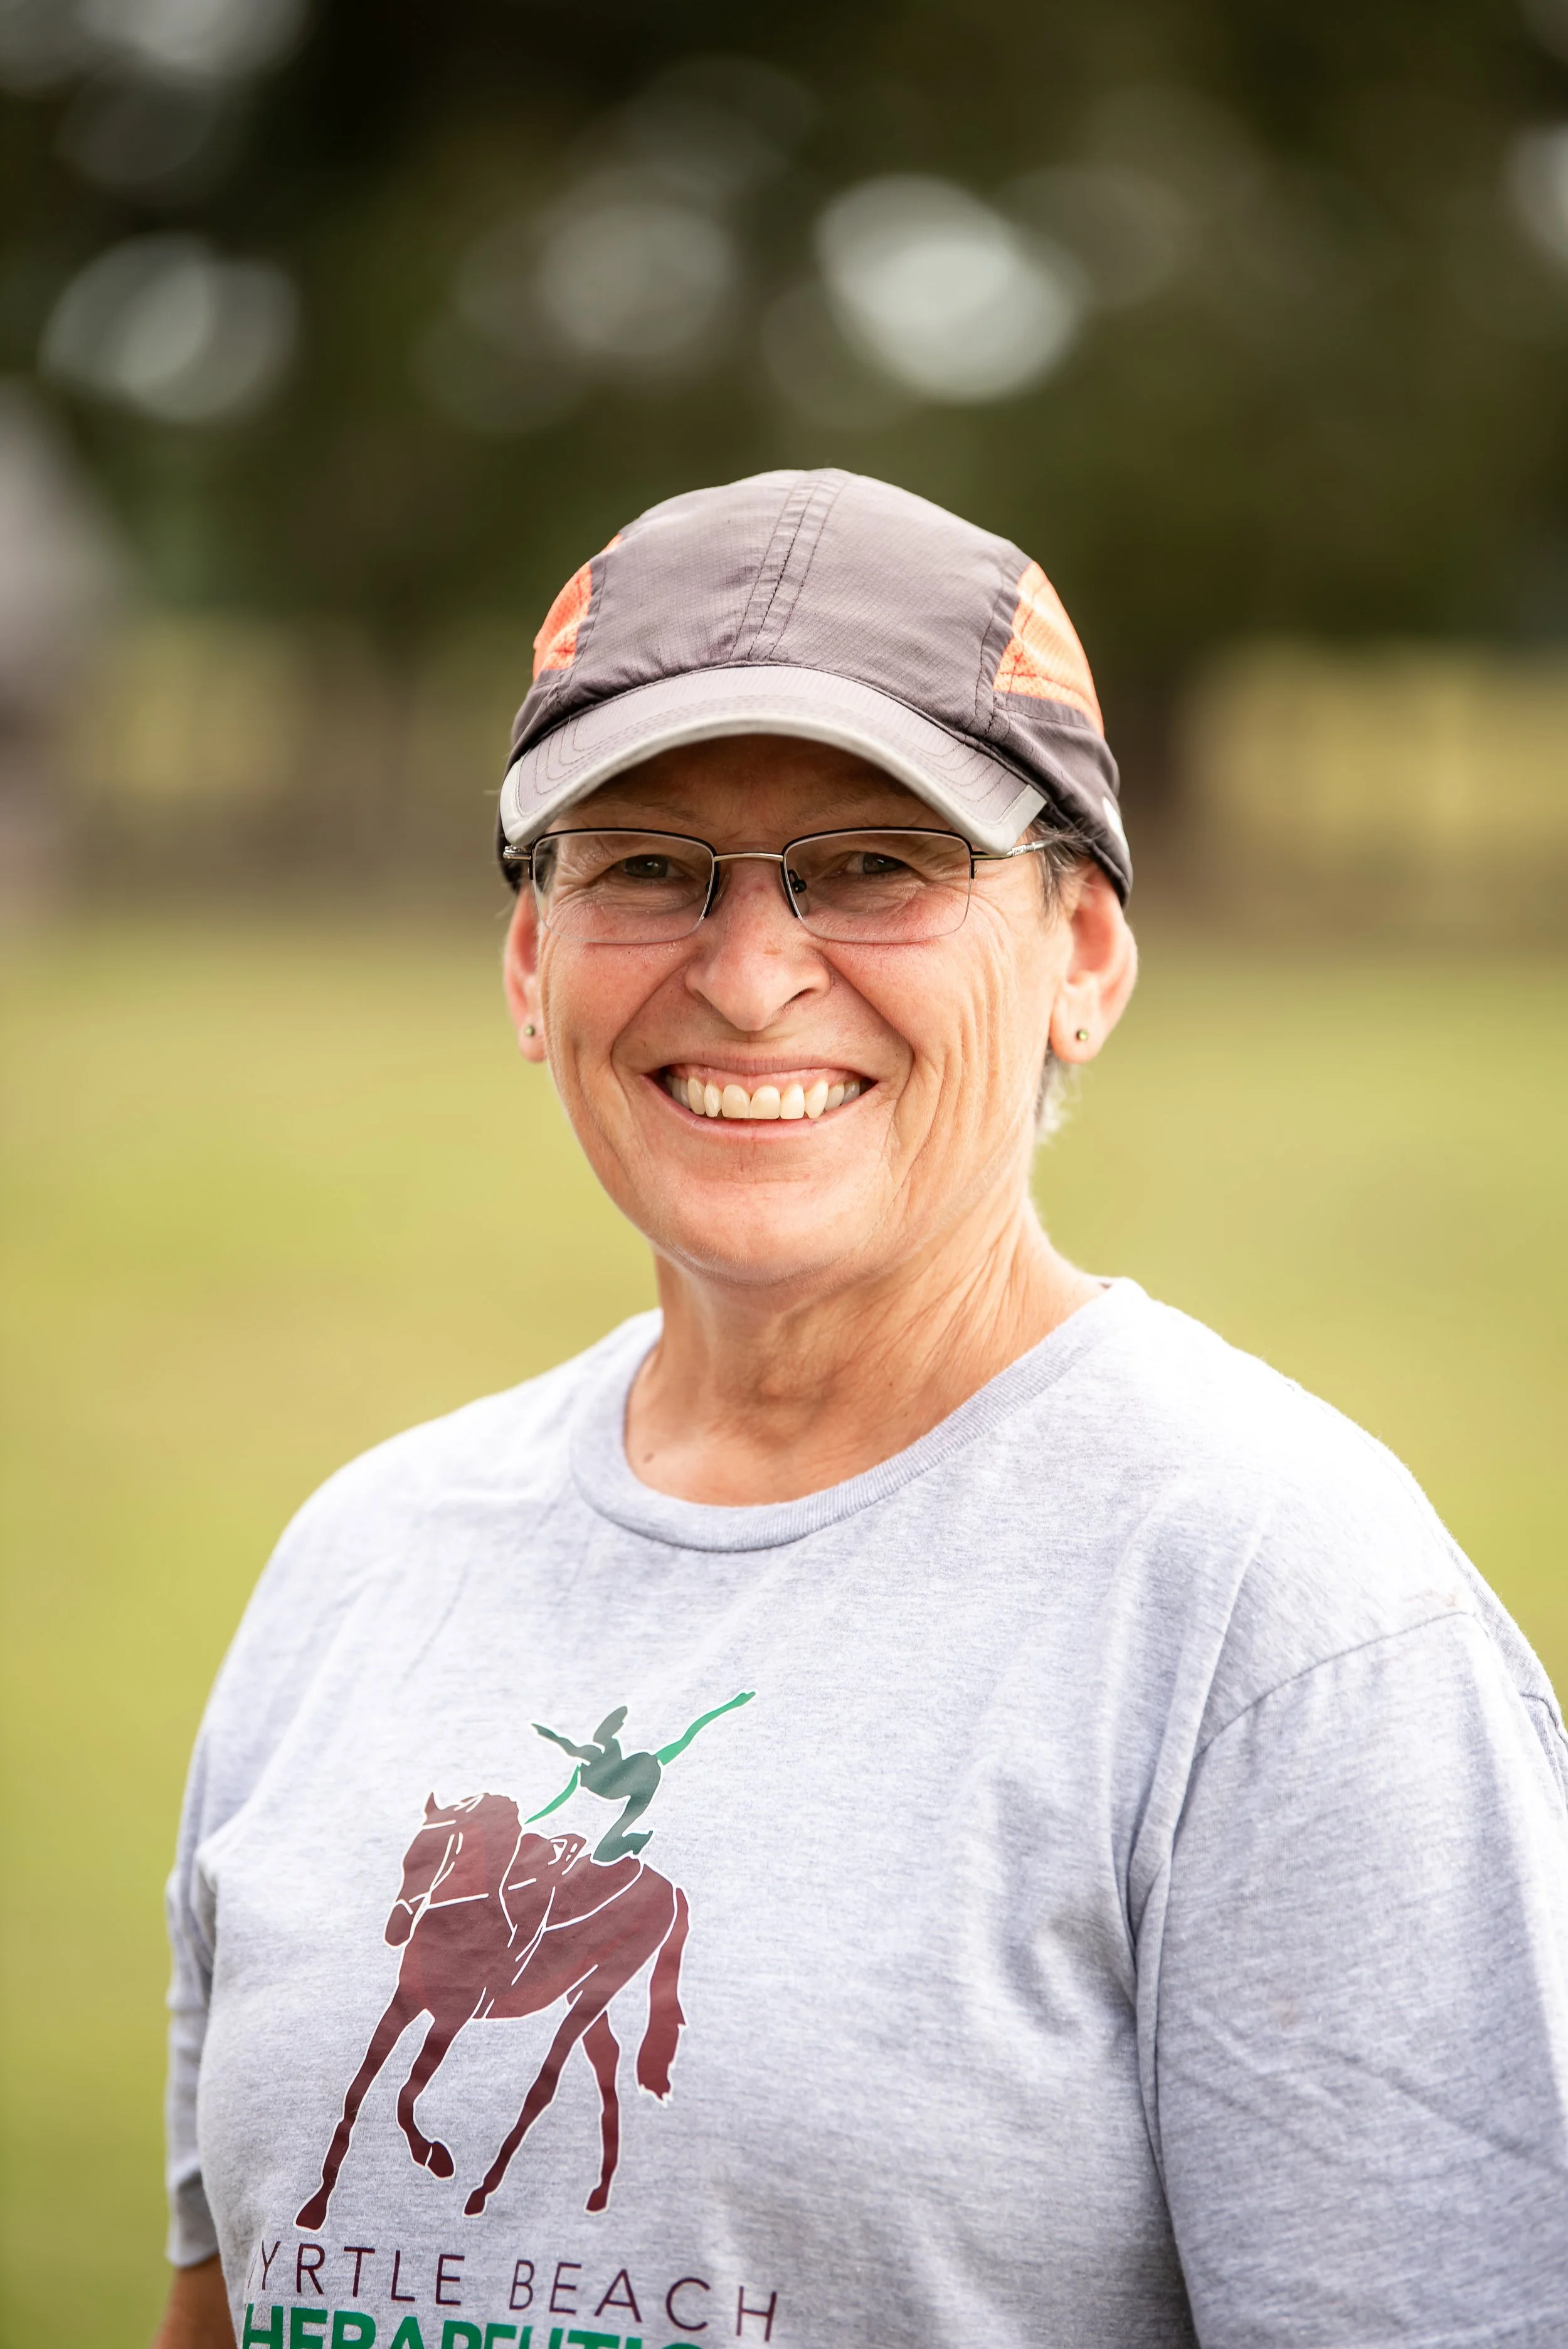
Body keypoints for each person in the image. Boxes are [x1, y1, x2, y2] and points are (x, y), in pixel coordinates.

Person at [156, 470, 1568, 2349]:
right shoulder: (359, 1559)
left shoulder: (1277, 1608)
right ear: (528, 962)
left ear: (1081, 957)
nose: (746, 977)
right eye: (646, 865)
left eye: (878, 864)